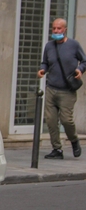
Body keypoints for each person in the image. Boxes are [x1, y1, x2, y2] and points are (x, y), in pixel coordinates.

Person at [37, 18, 84, 159]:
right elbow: (45, 62)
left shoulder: (74, 45)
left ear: (65, 29)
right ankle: (57, 149)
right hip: (51, 88)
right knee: (51, 121)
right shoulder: (49, 46)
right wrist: (42, 70)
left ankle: (74, 140)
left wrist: (80, 69)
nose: (56, 31)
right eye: (54, 29)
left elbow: (85, 60)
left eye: (59, 28)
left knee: (66, 120)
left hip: (67, 91)